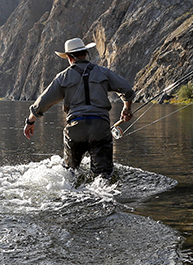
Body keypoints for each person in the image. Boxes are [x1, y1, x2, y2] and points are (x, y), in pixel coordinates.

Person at [23, 37, 134, 179]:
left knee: (69, 175)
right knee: (103, 178)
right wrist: (127, 108)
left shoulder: (62, 77)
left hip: (75, 129)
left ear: (69, 57)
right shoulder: (103, 72)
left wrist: (30, 121)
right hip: (100, 128)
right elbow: (127, 91)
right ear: (86, 53)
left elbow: (43, 102)